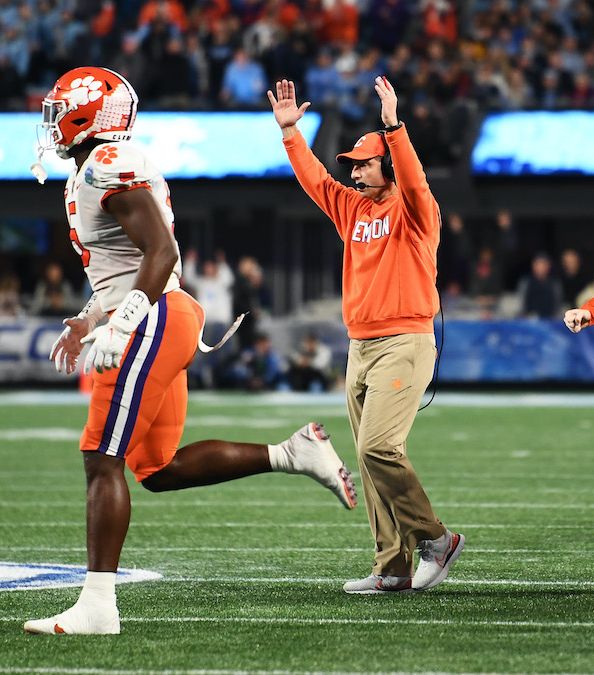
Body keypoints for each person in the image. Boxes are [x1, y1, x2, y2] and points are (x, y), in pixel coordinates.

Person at [25, 66, 357, 636]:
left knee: (102, 457)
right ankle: (293, 453)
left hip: (155, 316)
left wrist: (123, 324)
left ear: (92, 114)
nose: (53, 125)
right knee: (155, 467)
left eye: (61, 111)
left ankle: (99, 608)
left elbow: (162, 252)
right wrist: (87, 318)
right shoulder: (93, 170)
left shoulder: (109, 164)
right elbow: (121, 267)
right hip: (164, 315)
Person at [271, 76, 464, 594]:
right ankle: (392, 568)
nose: (355, 172)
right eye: (352, 164)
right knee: (367, 456)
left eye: (363, 163)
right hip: (359, 346)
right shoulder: (353, 209)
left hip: (405, 342)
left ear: (389, 165)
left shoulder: (416, 211)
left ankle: (437, 541)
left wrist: (394, 127)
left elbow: (417, 182)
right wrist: (292, 133)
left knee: (379, 448)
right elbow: (315, 181)